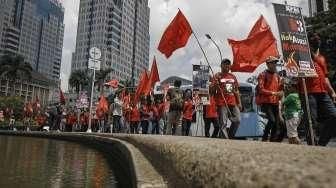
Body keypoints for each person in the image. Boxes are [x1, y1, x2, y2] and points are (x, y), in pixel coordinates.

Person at [298, 33, 336, 146]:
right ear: (308, 42)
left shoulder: (322, 58)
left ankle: (321, 144)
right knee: (311, 121)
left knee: (334, 116)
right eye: (314, 39)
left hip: (323, 92)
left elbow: (325, 78)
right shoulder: (302, 56)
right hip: (308, 92)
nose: (317, 40)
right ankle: (312, 145)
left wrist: (332, 92)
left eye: (318, 39)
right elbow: (294, 71)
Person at [210, 59, 242, 139]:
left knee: (237, 120)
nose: (227, 65)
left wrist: (239, 103)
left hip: (233, 103)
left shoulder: (233, 76)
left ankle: (230, 137)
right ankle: (225, 140)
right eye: (225, 64)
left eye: (228, 64)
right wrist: (215, 85)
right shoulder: (217, 76)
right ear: (221, 65)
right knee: (223, 123)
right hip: (222, 103)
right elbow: (211, 91)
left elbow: (236, 90)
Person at [256, 56, 284, 142]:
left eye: (275, 62)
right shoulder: (262, 75)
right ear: (267, 64)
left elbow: (280, 90)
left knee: (276, 124)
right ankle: (264, 138)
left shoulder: (278, 75)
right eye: (272, 62)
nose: (275, 64)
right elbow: (261, 89)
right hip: (266, 102)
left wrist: (282, 86)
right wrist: (274, 93)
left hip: (275, 102)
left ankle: (272, 141)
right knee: (272, 120)